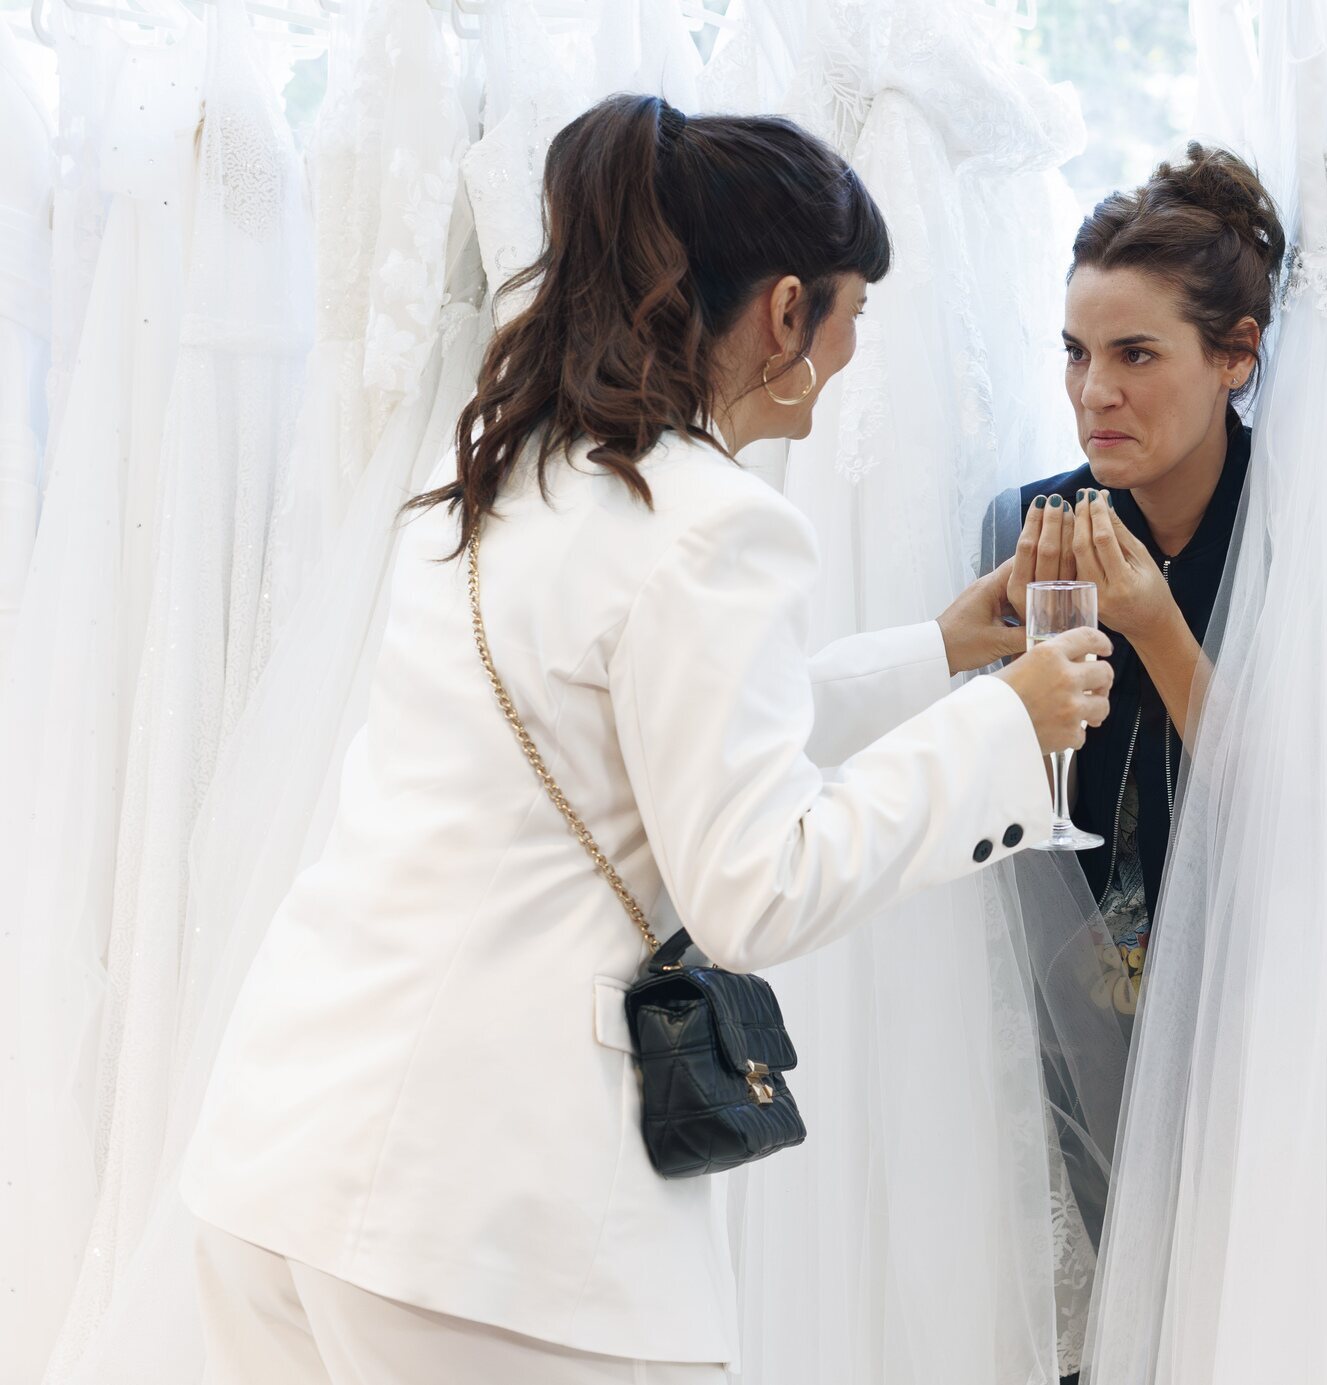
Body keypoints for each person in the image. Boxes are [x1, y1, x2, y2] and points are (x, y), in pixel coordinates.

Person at [177, 95, 1111, 1384]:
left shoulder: (523, 471)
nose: (848, 355)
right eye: (852, 314)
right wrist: (1005, 729)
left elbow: (641, 742)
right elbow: (754, 885)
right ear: (787, 310)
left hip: (290, 1149)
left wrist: (940, 652)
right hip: (488, 1215)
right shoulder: (713, 520)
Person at [1000, 142, 1283, 1017]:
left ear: (1235, 355)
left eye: (1136, 355)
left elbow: (1295, 807)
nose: (1094, 394)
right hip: (1067, 1005)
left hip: (1256, 992)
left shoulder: (1292, 540)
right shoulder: (1036, 523)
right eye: (1077, 353)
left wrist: (1156, 626)